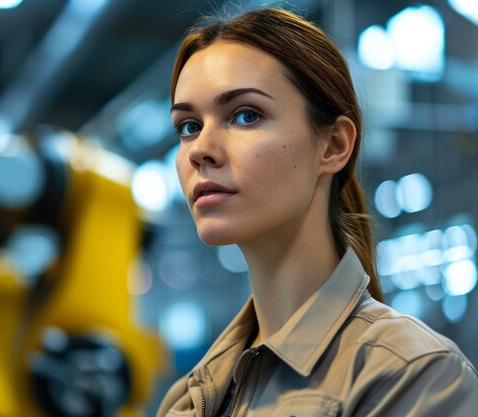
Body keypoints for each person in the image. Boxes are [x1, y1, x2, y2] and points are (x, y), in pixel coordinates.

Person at [157, 6, 478, 417]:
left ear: (333, 146)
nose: (200, 148)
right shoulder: (188, 400)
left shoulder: (413, 377)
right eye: (188, 125)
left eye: (245, 115)